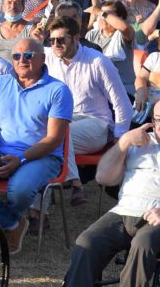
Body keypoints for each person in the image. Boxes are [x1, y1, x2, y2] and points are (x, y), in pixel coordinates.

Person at [38, 102, 160, 287]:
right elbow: (103, 177)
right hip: (124, 211)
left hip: (159, 219)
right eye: (158, 120)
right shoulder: (139, 142)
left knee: (144, 242)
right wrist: (123, 143)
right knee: (87, 241)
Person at [0, 37, 72, 253]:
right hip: (0, 152)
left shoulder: (58, 90)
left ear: (42, 58)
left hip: (42, 156)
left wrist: (21, 159)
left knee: (20, 190)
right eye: (16, 56)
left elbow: (54, 139)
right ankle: (12, 223)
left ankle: (3, 222)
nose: (22, 60)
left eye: (28, 55)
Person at [45, 16, 133, 206]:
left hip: (97, 123)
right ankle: (39, 211)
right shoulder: (49, 57)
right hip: (65, 122)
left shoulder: (98, 61)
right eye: (52, 41)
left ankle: (72, 185)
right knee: (39, 137)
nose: (56, 45)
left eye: (61, 40)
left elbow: (122, 103)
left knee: (57, 136)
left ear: (76, 38)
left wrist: (120, 139)